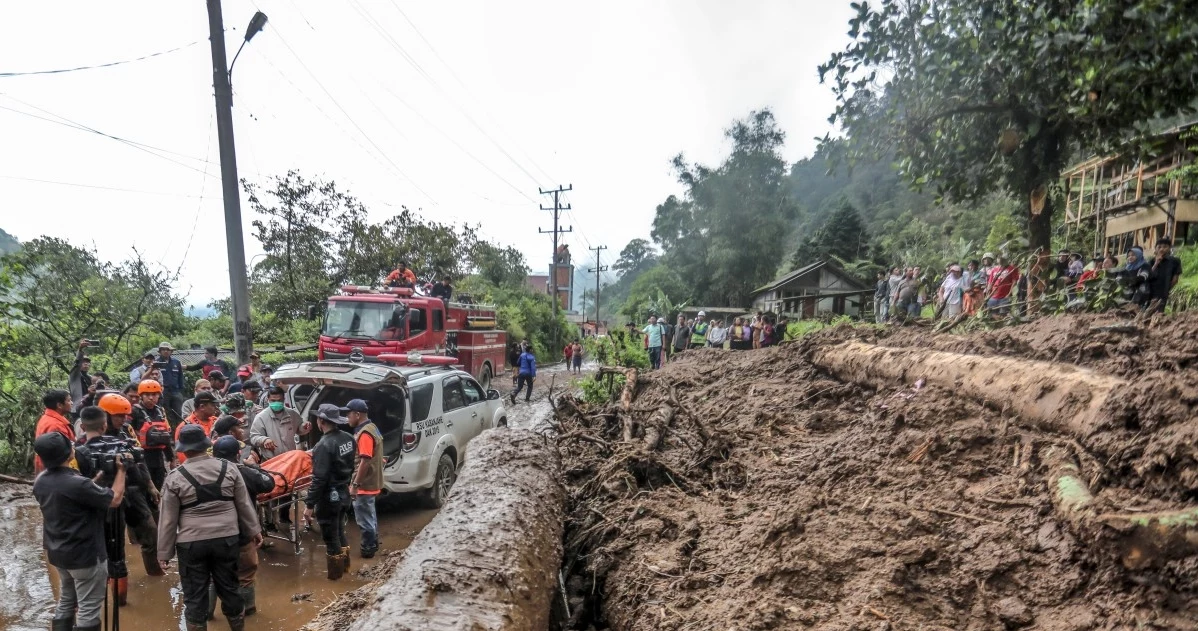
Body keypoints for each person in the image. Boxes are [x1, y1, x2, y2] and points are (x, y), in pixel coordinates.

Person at [157, 425, 261, 631]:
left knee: (195, 595)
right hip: (227, 539)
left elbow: (168, 519)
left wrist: (164, 553)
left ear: (183, 450)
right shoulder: (229, 468)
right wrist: (254, 531)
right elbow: (244, 504)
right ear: (206, 446)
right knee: (230, 588)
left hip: (191, 544)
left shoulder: (175, 477)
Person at [33, 431, 125, 631]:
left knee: (66, 599)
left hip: (59, 554)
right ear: (69, 455)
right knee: (88, 608)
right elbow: (115, 499)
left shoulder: (41, 481)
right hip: (85, 555)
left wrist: (95, 480)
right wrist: (122, 470)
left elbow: (74, 493)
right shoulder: (77, 484)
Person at [209, 435, 274, 619]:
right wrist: (252, 465)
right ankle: (248, 613)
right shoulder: (244, 472)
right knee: (245, 575)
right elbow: (269, 483)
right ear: (238, 454)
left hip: (211, 535)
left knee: (213, 576)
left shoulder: (203, 472)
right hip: (242, 534)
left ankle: (206, 616)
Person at [302, 404, 355, 580]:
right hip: (344, 493)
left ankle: (336, 578)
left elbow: (319, 479)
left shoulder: (323, 445)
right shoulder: (348, 438)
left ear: (321, 421)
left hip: (329, 498)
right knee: (339, 531)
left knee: (331, 538)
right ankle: (346, 569)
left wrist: (309, 504)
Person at [345, 399, 382, 559]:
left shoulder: (365, 434)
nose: (347, 418)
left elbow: (364, 461)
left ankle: (367, 550)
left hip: (364, 484)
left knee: (364, 519)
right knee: (370, 515)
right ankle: (373, 544)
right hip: (372, 481)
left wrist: (354, 485)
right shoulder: (372, 428)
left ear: (357, 414)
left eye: (348, 414)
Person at [132, 379, 174, 491]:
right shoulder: (135, 411)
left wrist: (171, 458)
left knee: (159, 485)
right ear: (141, 395)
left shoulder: (160, 411)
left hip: (158, 457)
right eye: (147, 395)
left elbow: (165, 436)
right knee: (145, 488)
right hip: (142, 457)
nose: (151, 398)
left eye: (154, 394)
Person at [248, 386, 308, 461]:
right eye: (273, 401)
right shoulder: (261, 417)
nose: (276, 403)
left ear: (284, 400)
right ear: (268, 400)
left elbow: (299, 429)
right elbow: (254, 437)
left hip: (290, 458)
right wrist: (264, 440)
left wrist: (304, 427)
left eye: (279, 400)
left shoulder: (292, 414)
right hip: (271, 460)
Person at [34, 389, 76, 474]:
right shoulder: (56, 426)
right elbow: (60, 455)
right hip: (56, 471)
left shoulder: (48, 418)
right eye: (69, 400)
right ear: (59, 405)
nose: (71, 403)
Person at [177, 391, 221, 464]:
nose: (216, 408)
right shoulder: (185, 427)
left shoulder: (217, 421)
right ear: (202, 407)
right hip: (197, 467)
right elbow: (183, 456)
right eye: (213, 405)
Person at [1147, 237, 1183, 311]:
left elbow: (1175, 279)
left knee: (1159, 311)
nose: (1161, 249)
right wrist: (1156, 263)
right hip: (1149, 290)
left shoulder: (1175, 261)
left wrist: (1167, 289)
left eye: (1165, 247)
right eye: (1159, 247)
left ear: (1169, 248)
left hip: (1163, 291)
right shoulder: (1151, 261)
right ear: (1155, 249)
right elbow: (1147, 276)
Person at [156, 342, 187, 426]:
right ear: (160, 351)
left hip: (176, 391)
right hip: (163, 392)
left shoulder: (176, 362)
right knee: (166, 413)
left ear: (171, 351)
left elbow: (180, 377)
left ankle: (179, 431)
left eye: (168, 350)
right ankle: (170, 432)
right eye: (163, 350)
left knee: (178, 412)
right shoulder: (156, 363)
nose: (165, 351)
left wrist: (180, 391)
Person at [68, 340, 93, 416]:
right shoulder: (74, 375)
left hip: (90, 407)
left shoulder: (90, 377)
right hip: (78, 408)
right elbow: (77, 364)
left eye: (88, 362)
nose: (86, 363)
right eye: (83, 361)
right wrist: (80, 349)